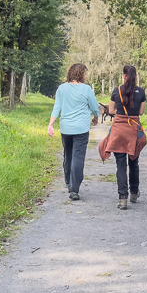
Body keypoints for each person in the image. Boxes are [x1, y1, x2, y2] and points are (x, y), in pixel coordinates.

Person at [47, 63, 99, 200]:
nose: (86, 76)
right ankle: (74, 189)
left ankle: (69, 183)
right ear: (81, 74)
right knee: (78, 157)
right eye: (85, 73)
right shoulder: (86, 89)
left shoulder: (62, 89)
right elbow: (94, 106)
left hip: (66, 128)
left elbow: (57, 107)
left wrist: (51, 124)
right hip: (81, 128)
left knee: (68, 155)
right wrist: (96, 117)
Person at [99, 64, 147, 209]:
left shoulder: (117, 90)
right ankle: (134, 192)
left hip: (119, 129)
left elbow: (112, 110)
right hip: (133, 129)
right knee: (134, 162)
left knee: (120, 165)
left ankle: (122, 199)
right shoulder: (141, 92)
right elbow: (141, 112)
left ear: (124, 76)